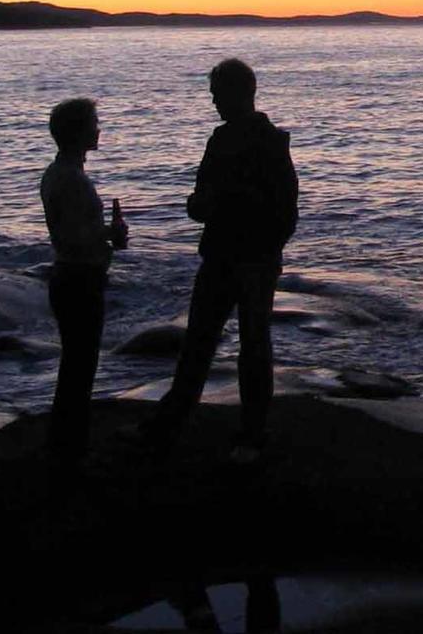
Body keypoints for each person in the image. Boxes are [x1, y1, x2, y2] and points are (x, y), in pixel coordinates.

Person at [144, 58, 298, 462]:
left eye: (218, 95)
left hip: (250, 260)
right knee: (202, 342)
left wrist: (256, 241)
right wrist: (201, 206)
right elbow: (204, 199)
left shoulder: (268, 143)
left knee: (249, 346)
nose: (214, 102)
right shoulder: (223, 140)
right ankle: (174, 425)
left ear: (240, 93)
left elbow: (285, 212)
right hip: (223, 256)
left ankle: (250, 433)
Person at [40, 97, 128, 473]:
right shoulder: (71, 180)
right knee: (80, 367)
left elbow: (73, 233)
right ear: (78, 132)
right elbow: (76, 238)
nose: (99, 128)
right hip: (79, 279)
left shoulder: (59, 174)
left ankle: (66, 445)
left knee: (76, 366)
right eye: (94, 122)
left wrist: (106, 233)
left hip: (71, 277)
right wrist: (112, 233)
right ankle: (72, 451)